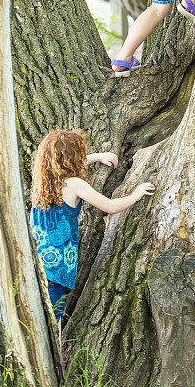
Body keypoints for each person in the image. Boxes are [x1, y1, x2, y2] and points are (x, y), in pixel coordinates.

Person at [29, 129, 154, 325]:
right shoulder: (74, 184)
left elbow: (70, 165)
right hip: (55, 271)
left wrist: (97, 157)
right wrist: (136, 194)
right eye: (79, 154)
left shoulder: (43, 183)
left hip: (33, 264)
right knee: (53, 327)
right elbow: (111, 206)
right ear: (72, 158)